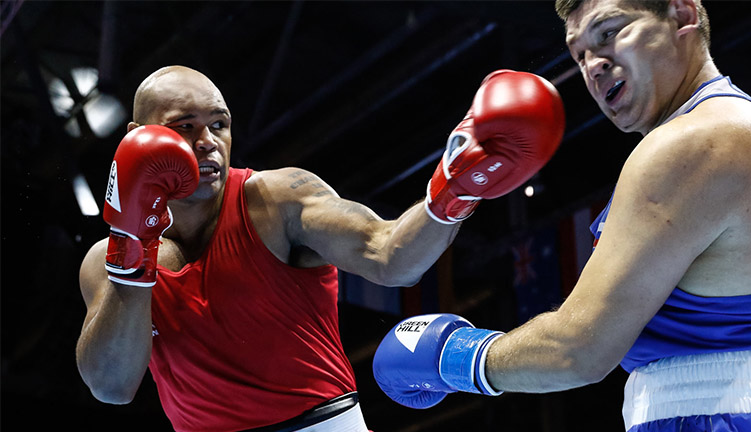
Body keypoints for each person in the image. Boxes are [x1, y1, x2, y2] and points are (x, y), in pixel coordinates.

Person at [75, 65, 564, 432]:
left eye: (219, 124)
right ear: (138, 138)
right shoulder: (106, 260)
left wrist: (454, 189)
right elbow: (110, 386)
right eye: (185, 125)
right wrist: (132, 249)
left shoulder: (276, 200)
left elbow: (390, 256)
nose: (207, 141)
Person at [371, 1, 751, 431]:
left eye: (608, 33)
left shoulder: (693, 142)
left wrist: (451, 356)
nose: (594, 65)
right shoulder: (740, 125)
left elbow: (577, 349)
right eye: (579, 55)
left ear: (683, 15)